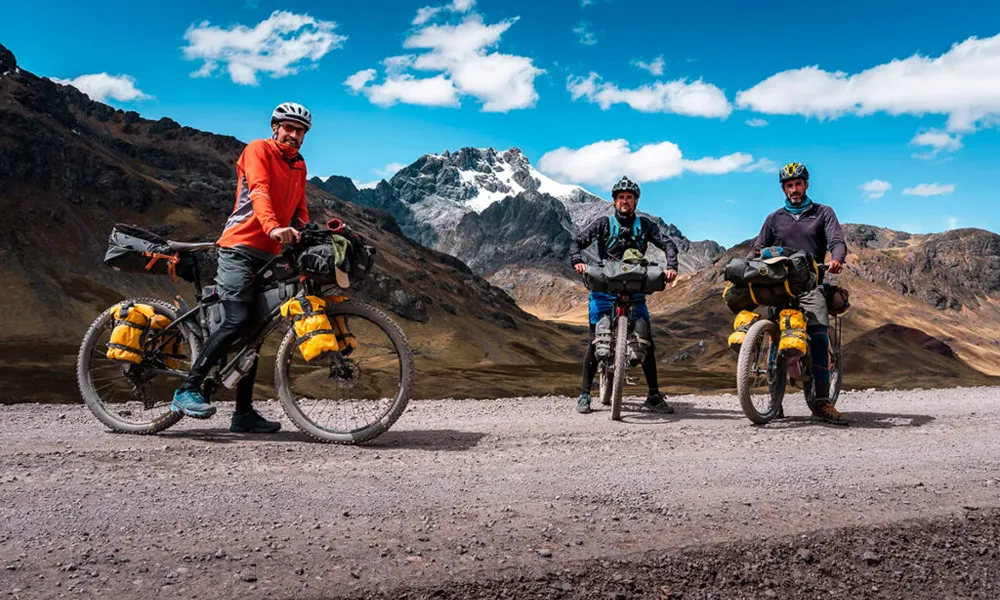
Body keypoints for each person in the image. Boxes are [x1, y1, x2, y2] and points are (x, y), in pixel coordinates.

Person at [171, 102, 313, 433]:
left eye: (300, 131)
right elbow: (260, 191)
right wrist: (273, 228)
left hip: (269, 255)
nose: (294, 135)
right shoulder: (258, 150)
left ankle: (243, 413)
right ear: (275, 127)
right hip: (239, 248)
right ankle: (187, 389)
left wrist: (305, 230)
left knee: (256, 329)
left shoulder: (299, 165)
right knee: (236, 319)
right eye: (289, 128)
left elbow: (300, 208)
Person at [569, 176, 679, 415]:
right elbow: (577, 242)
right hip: (605, 291)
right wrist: (577, 260)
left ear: (636, 201)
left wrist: (671, 266)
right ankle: (585, 395)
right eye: (621, 197)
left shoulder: (645, 225)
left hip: (635, 290)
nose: (625, 201)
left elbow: (668, 244)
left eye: (629, 197)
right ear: (614, 201)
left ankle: (653, 396)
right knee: (594, 340)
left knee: (647, 340)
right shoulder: (603, 224)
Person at [749, 162, 848, 425]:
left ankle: (822, 402)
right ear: (784, 188)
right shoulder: (774, 218)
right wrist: (748, 265)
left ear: (806, 185)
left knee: (818, 333)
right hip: (779, 286)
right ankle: (775, 401)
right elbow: (758, 248)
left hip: (810, 285)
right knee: (774, 334)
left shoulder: (823, 213)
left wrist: (836, 259)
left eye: (798, 184)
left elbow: (837, 241)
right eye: (789, 185)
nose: (794, 189)